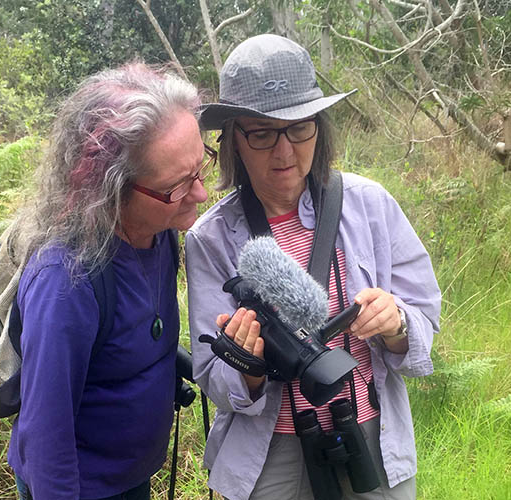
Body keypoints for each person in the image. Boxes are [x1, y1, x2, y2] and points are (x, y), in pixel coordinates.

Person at [185, 34, 441, 500]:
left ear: (319, 129)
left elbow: (423, 320)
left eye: (299, 127)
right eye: (261, 133)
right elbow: (211, 376)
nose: (284, 152)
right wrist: (250, 367)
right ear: (234, 141)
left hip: (370, 438)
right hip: (270, 452)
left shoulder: (371, 205)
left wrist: (396, 322)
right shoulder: (211, 238)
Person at [7, 62, 211, 500]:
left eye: (200, 169)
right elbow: (46, 439)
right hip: (83, 488)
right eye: (178, 185)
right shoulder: (66, 282)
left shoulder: (158, 233)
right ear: (111, 191)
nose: (200, 195)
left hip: (130, 475)